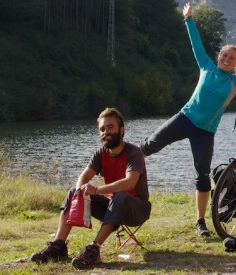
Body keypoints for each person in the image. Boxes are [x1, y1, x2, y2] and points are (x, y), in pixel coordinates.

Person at [141, 2, 236, 237]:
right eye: (224, 54)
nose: (227, 58)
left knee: (202, 176)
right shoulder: (205, 67)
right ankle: (121, 179)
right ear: (218, 56)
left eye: (232, 57)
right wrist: (189, 19)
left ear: (235, 63)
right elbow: (196, 44)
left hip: (205, 132)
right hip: (185, 118)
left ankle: (200, 222)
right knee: (150, 144)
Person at [31, 107, 151, 270]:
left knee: (119, 195)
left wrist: (97, 190)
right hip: (113, 208)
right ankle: (58, 247)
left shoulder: (133, 152)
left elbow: (130, 182)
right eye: (102, 129)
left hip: (137, 210)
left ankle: (94, 250)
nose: (105, 132)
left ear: (121, 130)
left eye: (110, 127)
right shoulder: (101, 153)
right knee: (74, 191)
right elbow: (84, 177)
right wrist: (80, 192)